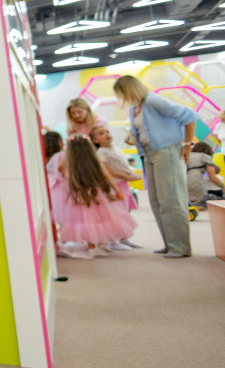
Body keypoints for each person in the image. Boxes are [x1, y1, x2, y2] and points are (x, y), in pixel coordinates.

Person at [114, 75, 197, 258]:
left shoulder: (153, 101)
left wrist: (187, 144)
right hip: (148, 153)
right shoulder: (135, 108)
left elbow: (189, 116)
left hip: (166, 151)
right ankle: (170, 243)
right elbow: (141, 131)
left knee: (171, 199)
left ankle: (180, 247)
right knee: (156, 200)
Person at [60, 137, 135, 257]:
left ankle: (91, 247)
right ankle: (99, 245)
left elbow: (61, 171)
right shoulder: (94, 160)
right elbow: (106, 175)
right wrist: (117, 191)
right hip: (96, 193)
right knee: (99, 219)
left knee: (85, 220)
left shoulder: (69, 162)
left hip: (78, 193)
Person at [89, 125, 142, 250]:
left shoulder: (115, 148)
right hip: (114, 185)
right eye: (101, 133)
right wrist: (125, 175)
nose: (106, 134)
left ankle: (124, 237)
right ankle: (113, 240)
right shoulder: (102, 152)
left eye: (107, 131)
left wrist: (130, 174)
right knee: (117, 212)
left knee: (126, 210)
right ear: (95, 140)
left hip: (123, 183)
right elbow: (104, 170)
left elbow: (121, 165)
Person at [186, 141, 223, 210]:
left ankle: (189, 208)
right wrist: (222, 186)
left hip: (184, 179)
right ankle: (193, 209)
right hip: (196, 180)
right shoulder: (204, 156)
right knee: (205, 202)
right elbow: (212, 177)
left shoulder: (188, 155)